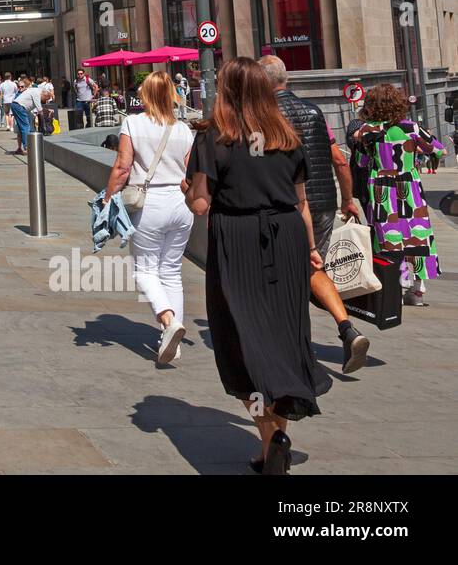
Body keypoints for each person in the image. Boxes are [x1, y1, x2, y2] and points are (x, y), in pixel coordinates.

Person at [185, 57, 331, 475]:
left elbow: (200, 205)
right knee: (283, 337)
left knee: (239, 342)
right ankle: (274, 444)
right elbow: (302, 202)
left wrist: (187, 185)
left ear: (227, 90)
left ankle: (271, 441)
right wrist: (309, 251)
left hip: (238, 240)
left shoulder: (215, 138)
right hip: (285, 238)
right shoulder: (286, 135)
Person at [258, 55, 371, 373]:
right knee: (311, 267)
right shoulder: (314, 112)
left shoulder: (262, 116)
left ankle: (290, 344)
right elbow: (339, 159)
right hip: (322, 204)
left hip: (282, 205)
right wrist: (347, 199)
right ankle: (347, 329)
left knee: (279, 275)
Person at [103, 72, 196, 364]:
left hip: (149, 203)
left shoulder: (133, 122)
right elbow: (189, 172)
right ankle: (173, 342)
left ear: (146, 95)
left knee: (144, 271)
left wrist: (107, 200)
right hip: (180, 205)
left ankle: (169, 323)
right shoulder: (183, 129)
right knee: (171, 272)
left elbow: (122, 166)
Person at [354, 84, 445, 306]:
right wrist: (417, 150)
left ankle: (401, 280)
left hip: (382, 189)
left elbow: (361, 162)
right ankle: (418, 287)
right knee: (417, 233)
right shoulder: (412, 128)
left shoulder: (368, 131)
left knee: (390, 237)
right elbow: (439, 150)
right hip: (410, 187)